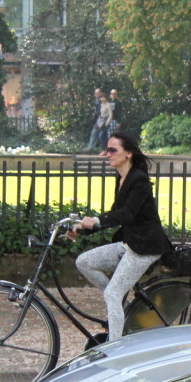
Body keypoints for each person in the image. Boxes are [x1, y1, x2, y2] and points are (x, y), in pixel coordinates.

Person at [71, 132, 172, 342]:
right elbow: (116, 215)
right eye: (107, 150)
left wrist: (97, 219)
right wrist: (81, 228)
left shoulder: (139, 179)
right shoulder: (122, 178)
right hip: (130, 243)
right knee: (84, 261)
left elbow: (127, 213)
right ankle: (125, 311)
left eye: (113, 150)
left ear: (128, 154)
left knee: (112, 294)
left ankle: (114, 348)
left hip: (145, 246)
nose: (107, 154)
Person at [84, 88, 106, 153]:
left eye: (97, 93)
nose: (96, 94)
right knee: (96, 134)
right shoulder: (97, 101)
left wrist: (96, 113)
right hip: (98, 120)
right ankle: (91, 148)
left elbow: (103, 110)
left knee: (98, 134)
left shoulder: (102, 100)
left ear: (101, 93)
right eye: (95, 93)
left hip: (101, 119)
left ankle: (92, 148)